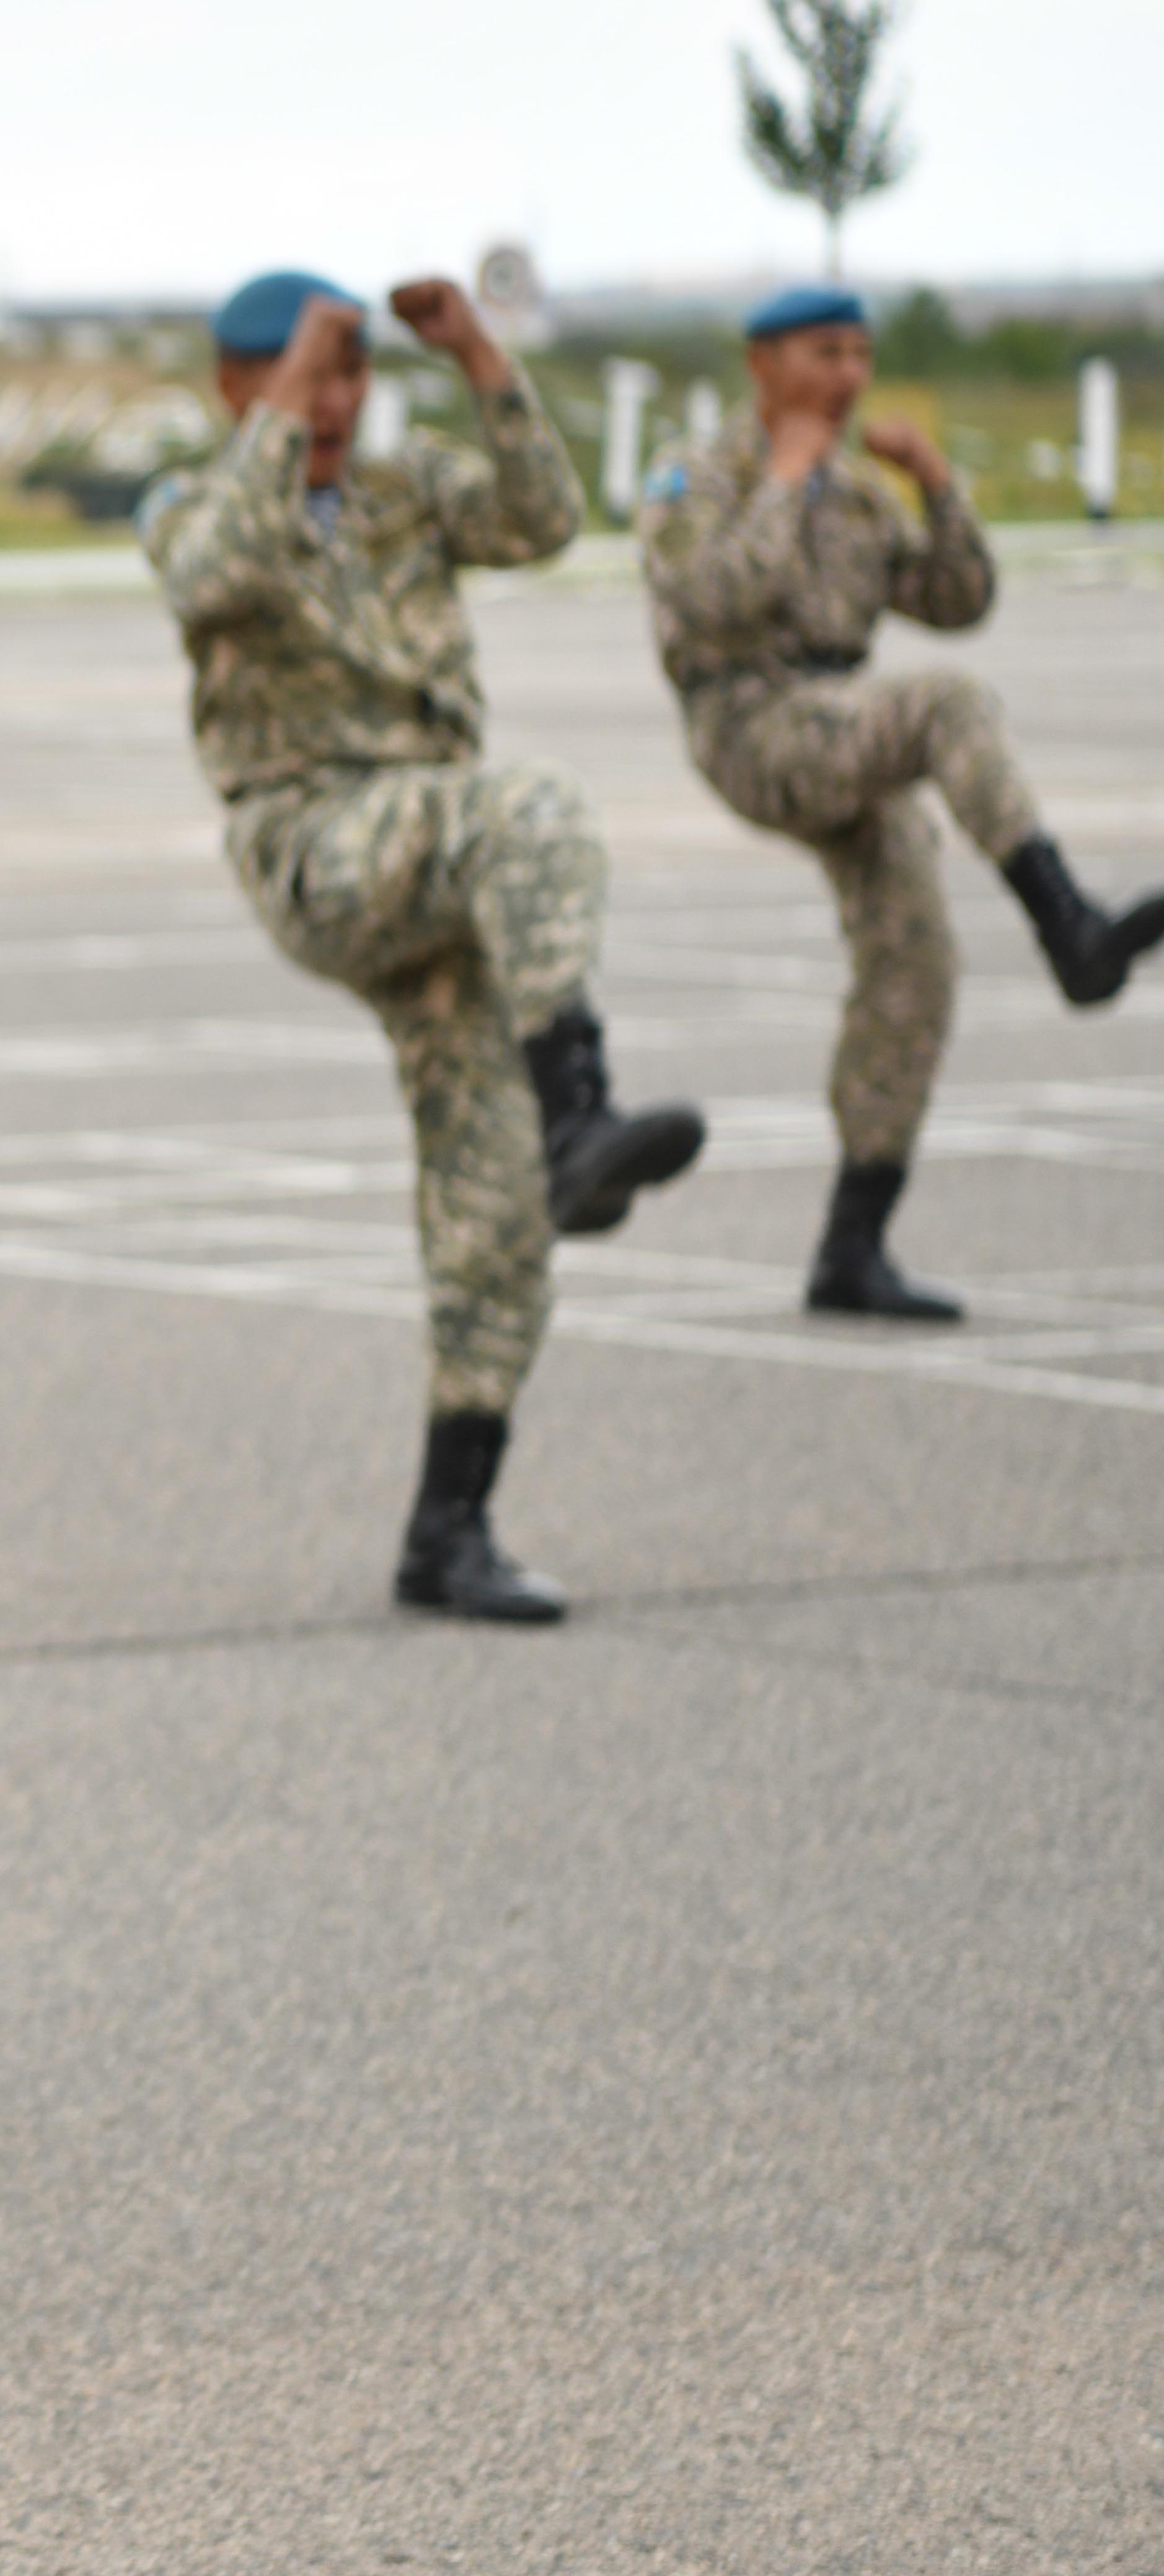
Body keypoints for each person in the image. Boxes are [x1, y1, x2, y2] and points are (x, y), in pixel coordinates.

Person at [141, 270, 702, 1625]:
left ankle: (448, 1530)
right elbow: (212, 574)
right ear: (236, 387)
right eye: (304, 376)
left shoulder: (405, 493)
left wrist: (478, 358)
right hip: (317, 843)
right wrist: (286, 402)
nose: (333, 403)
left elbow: (542, 519)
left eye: (348, 376)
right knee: (536, 804)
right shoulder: (197, 503)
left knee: (492, 1200)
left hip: (436, 872)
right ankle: (581, 1109)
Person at [642, 282, 1163, 1320]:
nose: (846, 376)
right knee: (945, 705)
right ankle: (1068, 927)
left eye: (858, 355)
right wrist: (784, 480)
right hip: (750, 724)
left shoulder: (858, 488)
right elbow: (708, 602)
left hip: (844, 732)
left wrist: (934, 486)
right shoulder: (702, 475)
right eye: (823, 354)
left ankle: (850, 1247)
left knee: (912, 963)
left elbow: (957, 601)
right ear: (762, 363)